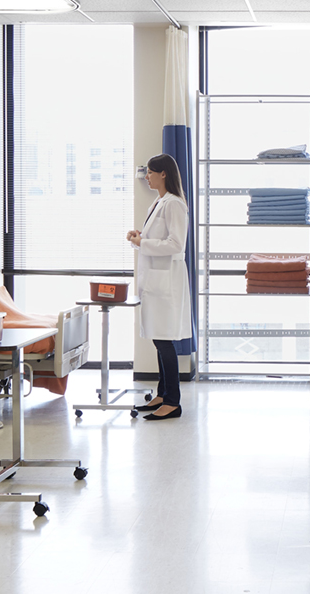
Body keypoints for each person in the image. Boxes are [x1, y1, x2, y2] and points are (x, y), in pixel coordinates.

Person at [128, 153, 191, 422]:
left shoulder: (174, 204)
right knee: (158, 337)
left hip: (167, 280)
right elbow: (155, 240)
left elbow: (177, 244)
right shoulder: (158, 202)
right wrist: (138, 239)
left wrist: (144, 243)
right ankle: (162, 394)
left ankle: (173, 402)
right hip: (156, 279)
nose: (147, 177)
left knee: (164, 340)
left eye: (151, 173)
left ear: (163, 173)